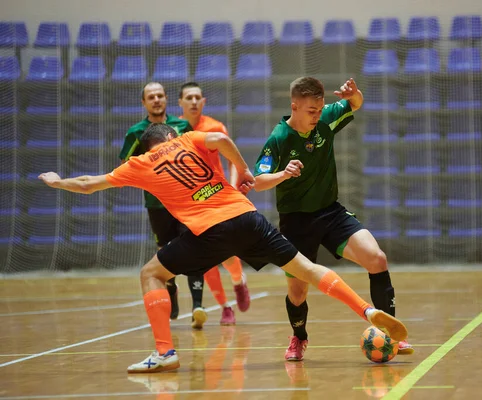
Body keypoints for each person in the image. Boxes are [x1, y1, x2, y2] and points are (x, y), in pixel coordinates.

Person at [39, 123, 409, 373]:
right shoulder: (191, 139)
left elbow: (89, 183)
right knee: (308, 270)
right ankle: (366, 309)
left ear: (150, 145)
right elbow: (220, 141)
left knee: (152, 273)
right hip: (247, 217)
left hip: (209, 232)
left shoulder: (140, 163)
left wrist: (58, 182)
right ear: (172, 135)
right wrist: (244, 169)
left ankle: (165, 352)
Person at [252, 77, 413, 361]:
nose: (317, 114)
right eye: (311, 110)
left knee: (377, 258)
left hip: (330, 212)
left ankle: (391, 333)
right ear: (295, 107)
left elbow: (355, 104)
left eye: (320, 108)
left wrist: (356, 94)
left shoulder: (325, 120)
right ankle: (298, 338)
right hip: (296, 222)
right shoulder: (278, 138)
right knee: (298, 292)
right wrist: (283, 174)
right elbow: (258, 181)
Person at [118, 82, 207, 328]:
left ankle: (198, 305)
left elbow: (195, 156)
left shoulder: (180, 127)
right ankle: (171, 292)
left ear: (166, 99)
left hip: (185, 201)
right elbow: (127, 165)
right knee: (165, 250)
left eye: (160, 95)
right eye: (151, 97)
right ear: (144, 103)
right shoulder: (136, 132)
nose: (156, 99)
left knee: (194, 245)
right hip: (157, 203)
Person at [178, 81, 251, 326]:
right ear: (180, 103)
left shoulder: (214, 127)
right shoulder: (175, 129)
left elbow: (232, 160)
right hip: (192, 203)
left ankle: (239, 282)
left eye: (198, 97)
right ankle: (224, 307)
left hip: (218, 196)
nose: (194, 102)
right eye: (189, 98)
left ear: (203, 101)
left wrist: (231, 185)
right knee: (205, 256)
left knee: (228, 255)